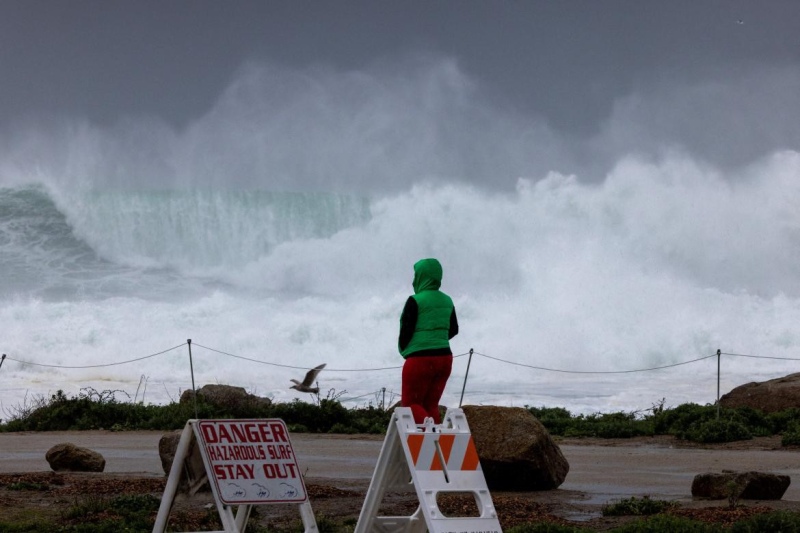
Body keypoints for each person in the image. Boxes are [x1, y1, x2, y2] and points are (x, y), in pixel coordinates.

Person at [398, 258, 459, 425]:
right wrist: (437, 340)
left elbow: (406, 331)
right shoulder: (448, 300)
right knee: (431, 405)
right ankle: (435, 448)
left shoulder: (415, 300)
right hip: (445, 357)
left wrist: (406, 350)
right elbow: (454, 329)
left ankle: (428, 440)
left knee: (411, 405)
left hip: (420, 359)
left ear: (421, 276)